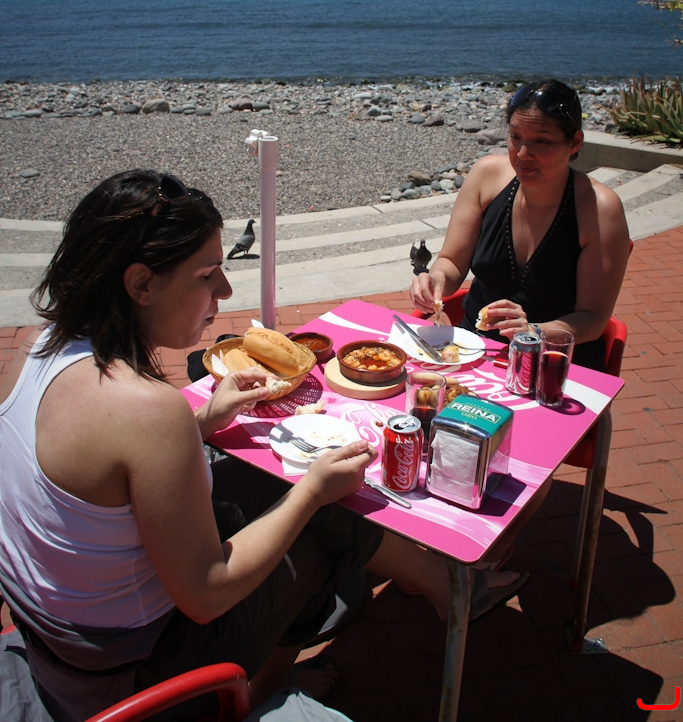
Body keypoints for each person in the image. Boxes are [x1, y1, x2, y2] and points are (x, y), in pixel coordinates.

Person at [0, 170, 521, 722]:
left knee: (264, 483)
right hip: (134, 678)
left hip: (57, 647)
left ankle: (436, 590)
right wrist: (311, 494)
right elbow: (206, 593)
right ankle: (276, 682)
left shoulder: (33, 348)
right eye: (207, 274)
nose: (225, 291)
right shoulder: (148, 409)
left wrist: (205, 420)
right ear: (141, 284)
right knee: (321, 521)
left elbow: (98, 471)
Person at [410, 80, 631, 369]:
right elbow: (452, 261)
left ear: (575, 142)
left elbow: (592, 319)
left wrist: (533, 331)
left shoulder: (600, 209)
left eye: (542, 142)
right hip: (477, 349)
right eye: (516, 137)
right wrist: (435, 280)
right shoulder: (487, 176)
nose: (524, 154)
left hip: (556, 363)